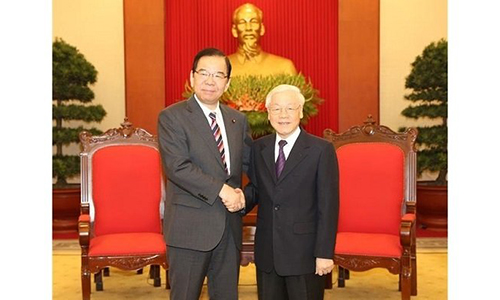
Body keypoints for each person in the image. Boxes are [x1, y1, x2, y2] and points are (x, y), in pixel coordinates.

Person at [157, 47, 252, 300]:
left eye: (218, 75)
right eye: (204, 73)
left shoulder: (237, 120)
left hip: (229, 229)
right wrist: (223, 190)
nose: (210, 80)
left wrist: (246, 196)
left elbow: (250, 165)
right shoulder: (172, 117)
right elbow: (178, 167)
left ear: (227, 82)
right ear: (192, 77)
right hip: (190, 229)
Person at [243, 84, 339, 300]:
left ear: (301, 112)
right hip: (268, 252)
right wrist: (237, 200)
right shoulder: (259, 148)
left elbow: (328, 205)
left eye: (290, 108)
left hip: (304, 253)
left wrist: (324, 253)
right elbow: (257, 190)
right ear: (268, 114)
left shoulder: (321, 150)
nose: (283, 115)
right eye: (276, 109)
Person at [228, 3, 298, 77]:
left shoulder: (284, 67)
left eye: (254, 22)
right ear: (234, 30)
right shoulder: (221, 67)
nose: (248, 28)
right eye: (242, 23)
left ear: (262, 29)